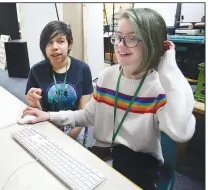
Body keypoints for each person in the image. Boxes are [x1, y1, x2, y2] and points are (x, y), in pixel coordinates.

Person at [22, 8, 196, 189]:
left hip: (138, 165)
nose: (120, 45)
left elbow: (179, 131)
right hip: (103, 156)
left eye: (132, 38)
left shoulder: (159, 87)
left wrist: (169, 68)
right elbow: (86, 116)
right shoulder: (107, 76)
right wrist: (48, 116)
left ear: (153, 43)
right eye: (118, 36)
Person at [25, 21, 93, 146]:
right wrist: (33, 102)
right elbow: (37, 111)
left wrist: (68, 138)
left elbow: (84, 113)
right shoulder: (36, 71)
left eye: (60, 41)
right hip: (47, 125)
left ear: (69, 43)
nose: (55, 47)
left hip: (75, 127)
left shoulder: (83, 69)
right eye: (49, 42)